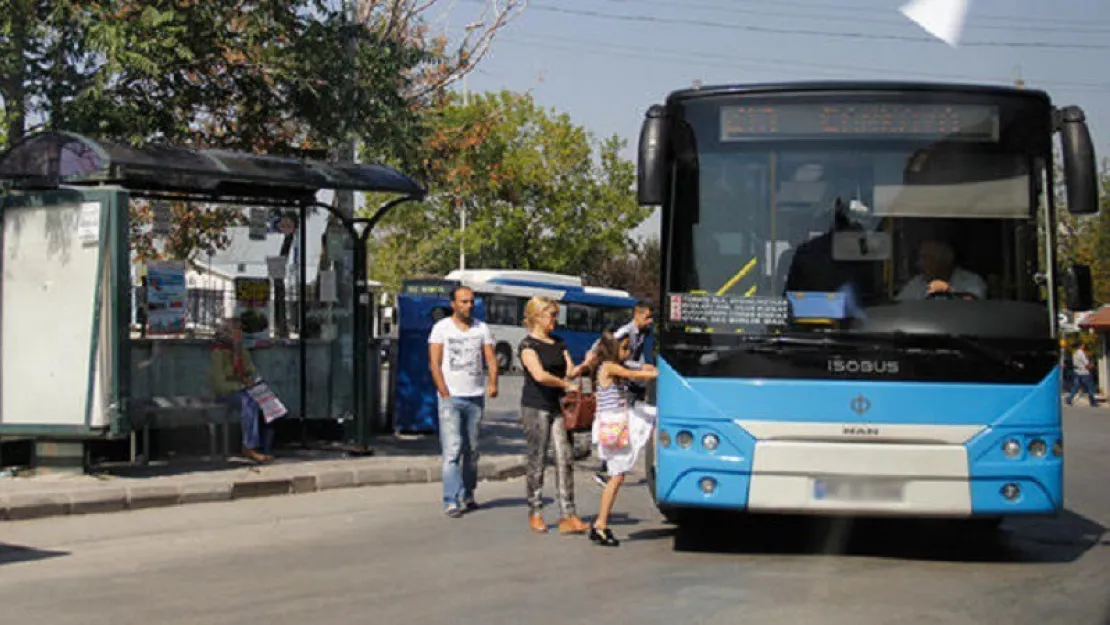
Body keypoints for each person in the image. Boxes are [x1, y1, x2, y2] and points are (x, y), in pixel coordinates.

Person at [518, 296, 591, 535]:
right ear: (537, 317)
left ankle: (568, 513)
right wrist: (563, 384)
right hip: (535, 405)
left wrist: (588, 363)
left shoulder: (559, 343)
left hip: (559, 406)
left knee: (565, 457)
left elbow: (570, 370)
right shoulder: (527, 345)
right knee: (537, 458)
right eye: (551, 315)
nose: (555, 321)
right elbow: (539, 375)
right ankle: (535, 511)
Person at [428, 285, 499, 518]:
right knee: (452, 450)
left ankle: (468, 493)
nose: (468, 306)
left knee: (472, 449)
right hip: (451, 398)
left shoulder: (481, 329)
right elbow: (434, 363)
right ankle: (451, 499)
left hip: (474, 396)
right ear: (453, 304)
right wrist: (444, 391)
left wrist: (493, 383)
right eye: (463, 302)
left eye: (471, 302)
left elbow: (490, 358)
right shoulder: (441, 329)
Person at [587, 331, 659, 547]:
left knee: (618, 475)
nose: (627, 353)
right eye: (624, 348)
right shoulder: (608, 367)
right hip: (613, 425)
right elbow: (633, 373)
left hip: (619, 420)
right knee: (616, 476)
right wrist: (655, 374)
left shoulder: (617, 364)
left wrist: (650, 368)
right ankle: (600, 524)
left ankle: (601, 524)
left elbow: (639, 368)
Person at [582, 300, 654, 486]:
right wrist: (642, 370)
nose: (650, 321)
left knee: (626, 421)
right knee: (621, 421)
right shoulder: (624, 332)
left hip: (628, 381)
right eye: (647, 317)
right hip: (619, 380)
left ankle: (614, 466)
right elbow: (605, 350)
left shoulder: (642, 333)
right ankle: (607, 469)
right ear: (637, 314)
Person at [209, 318, 272, 463]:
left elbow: (251, 370)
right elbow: (219, 383)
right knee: (249, 401)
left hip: (244, 388)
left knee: (269, 404)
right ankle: (249, 446)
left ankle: (265, 446)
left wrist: (255, 381)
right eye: (235, 332)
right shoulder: (218, 353)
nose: (238, 336)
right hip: (226, 393)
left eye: (239, 332)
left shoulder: (240, 350)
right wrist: (241, 386)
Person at [896, 239, 986, 301]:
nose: (919, 264)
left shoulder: (971, 283)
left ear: (945, 260)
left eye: (926, 258)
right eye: (920, 258)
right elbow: (900, 311)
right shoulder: (916, 284)